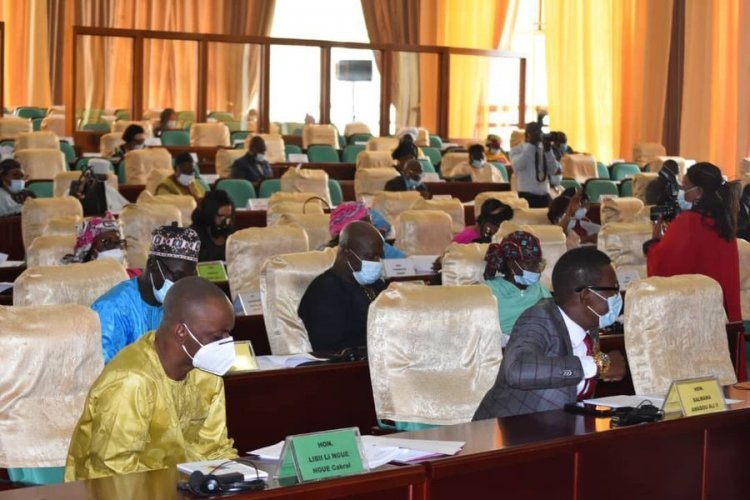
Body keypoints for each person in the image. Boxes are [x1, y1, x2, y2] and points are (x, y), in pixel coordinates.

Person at [65, 277, 237, 480]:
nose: (226, 343)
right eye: (217, 337)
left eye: (229, 334)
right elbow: (113, 472)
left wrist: (236, 480)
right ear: (181, 332)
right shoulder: (130, 382)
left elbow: (214, 450)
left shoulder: (206, 372)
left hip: (182, 488)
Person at [473, 247, 628, 419]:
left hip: (561, 428)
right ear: (586, 295)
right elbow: (518, 370)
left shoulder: (589, 325)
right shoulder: (538, 319)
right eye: (612, 289)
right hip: (510, 434)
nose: (617, 296)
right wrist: (596, 366)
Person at [645, 162, 742, 323]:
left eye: (685, 187)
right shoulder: (724, 223)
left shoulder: (688, 222)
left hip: (696, 316)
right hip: (722, 314)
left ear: (699, 192)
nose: (682, 192)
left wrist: (655, 240)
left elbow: (662, 268)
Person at [91, 224, 200, 364]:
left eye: (188, 279)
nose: (181, 286)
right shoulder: (111, 309)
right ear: (153, 265)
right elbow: (108, 374)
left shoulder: (179, 305)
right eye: (177, 276)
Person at [299, 221, 386, 353]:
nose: (376, 263)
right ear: (347, 255)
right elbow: (329, 349)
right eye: (370, 257)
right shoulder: (325, 292)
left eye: (379, 256)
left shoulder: (375, 284)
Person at [483, 232, 552, 346]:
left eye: (538, 265)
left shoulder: (539, 288)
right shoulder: (490, 291)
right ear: (512, 265)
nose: (536, 270)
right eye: (530, 264)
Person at [325, 202, 405, 258]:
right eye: (366, 226)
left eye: (371, 224)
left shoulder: (381, 247)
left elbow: (407, 265)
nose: (373, 228)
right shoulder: (329, 257)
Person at [510, 122, 561, 208]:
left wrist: (548, 151)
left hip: (545, 194)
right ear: (527, 134)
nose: (537, 135)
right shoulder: (517, 149)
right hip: (526, 195)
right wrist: (531, 145)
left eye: (539, 132)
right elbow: (518, 166)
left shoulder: (544, 148)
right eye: (534, 132)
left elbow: (554, 170)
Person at [61, 212, 132, 270]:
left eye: (118, 241)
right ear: (89, 248)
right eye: (107, 242)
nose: (115, 248)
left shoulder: (131, 276)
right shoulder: (73, 276)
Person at [190, 189, 235, 261]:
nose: (226, 221)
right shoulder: (194, 235)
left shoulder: (231, 233)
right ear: (209, 214)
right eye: (221, 216)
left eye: (228, 217)